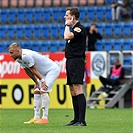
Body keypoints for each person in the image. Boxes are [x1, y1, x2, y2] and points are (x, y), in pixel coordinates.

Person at [8, 42, 60, 124]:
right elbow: (27, 71)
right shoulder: (19, 59)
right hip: (42, 73)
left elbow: (33, 69)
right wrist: (36, 82)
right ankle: (36, 117)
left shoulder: (26, 55)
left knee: (43, 90)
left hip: (52, 70)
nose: (10, 55)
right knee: (36, 90)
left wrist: (42, 81)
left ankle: (45, 118)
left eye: (11, 53)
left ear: (18, 51)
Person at [64, 7, 87, 126]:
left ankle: (82, 120)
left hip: (76, 61)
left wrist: (67, 25)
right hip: (70, 61)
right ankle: (76, 119)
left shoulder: (79, 28)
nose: (65, 17)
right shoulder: (73, 29)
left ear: (73, 16)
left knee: (78, 88)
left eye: (67, 15)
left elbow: (66, 36)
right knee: (72, 90)